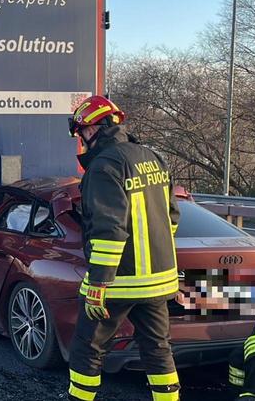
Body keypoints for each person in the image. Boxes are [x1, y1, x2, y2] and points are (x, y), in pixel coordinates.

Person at [66, 96, 181, 401]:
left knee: (87, 350)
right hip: (159, 282)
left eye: (82, 132)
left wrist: (98, 284)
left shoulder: (104, 167)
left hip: (119, 283)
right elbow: (171, 218)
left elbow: (108, 230)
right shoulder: (152, 157)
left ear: (94, 129)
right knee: (158, 349)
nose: (81, 139)